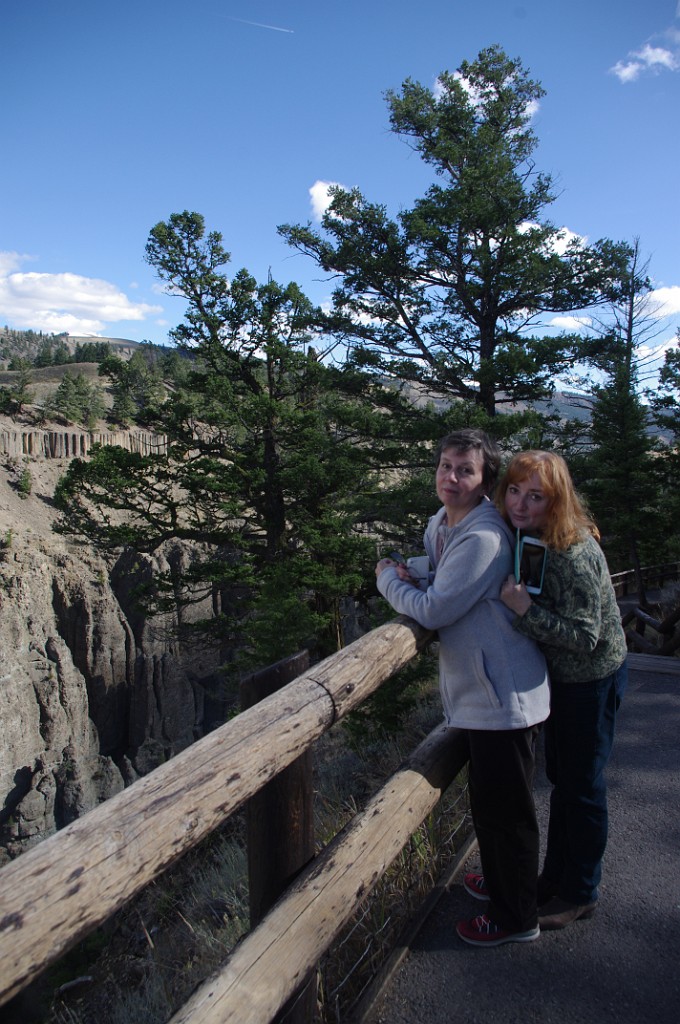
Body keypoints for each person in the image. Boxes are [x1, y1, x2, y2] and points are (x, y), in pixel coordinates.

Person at [375, 429, 550, 947]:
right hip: (483, 694)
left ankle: (517, 918)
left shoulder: (484, 536)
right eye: (446, 466)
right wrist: (423, 573)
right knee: (491, 809)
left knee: (507, 816)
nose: (452, 477)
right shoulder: (445, 522)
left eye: (466, 470)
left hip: (504, 697)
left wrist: (389, 577)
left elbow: (435, 609)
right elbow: (446, 576)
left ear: (484, 481)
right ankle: (504, 886)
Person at [497, 450, 628, 930]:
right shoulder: (532, 537)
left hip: (591, 682)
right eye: (514, 491)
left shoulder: (571, 551)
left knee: (582, 787)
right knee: (566, 782)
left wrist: (523, 612)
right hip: (568, 682)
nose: (521, 504)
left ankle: (580, 892)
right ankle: (554, 877)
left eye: (536, 496)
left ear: (556, 500)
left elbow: (584, 636)